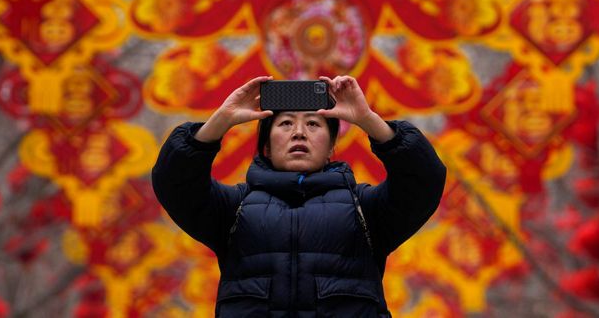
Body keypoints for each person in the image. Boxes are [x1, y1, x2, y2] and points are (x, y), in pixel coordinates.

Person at [151, 74, 447, 317]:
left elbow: (423, 180)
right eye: (285, 123)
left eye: (313, 124)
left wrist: (368, 119)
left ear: (332, 147)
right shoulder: (233, 209)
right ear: (266, 146)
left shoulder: (365, 210)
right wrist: (220, 121)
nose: (299, 133)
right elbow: (174, 182)